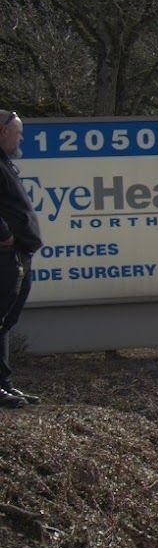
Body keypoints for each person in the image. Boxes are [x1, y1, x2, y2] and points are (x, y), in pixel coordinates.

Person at [0, 110, 42, 408]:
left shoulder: (5, 165)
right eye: (18, 132)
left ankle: (4, 385)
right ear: (3, 132)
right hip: (4, 255)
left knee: (4, 323)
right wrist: (4, 235)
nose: (21, 138)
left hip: (19, 255)